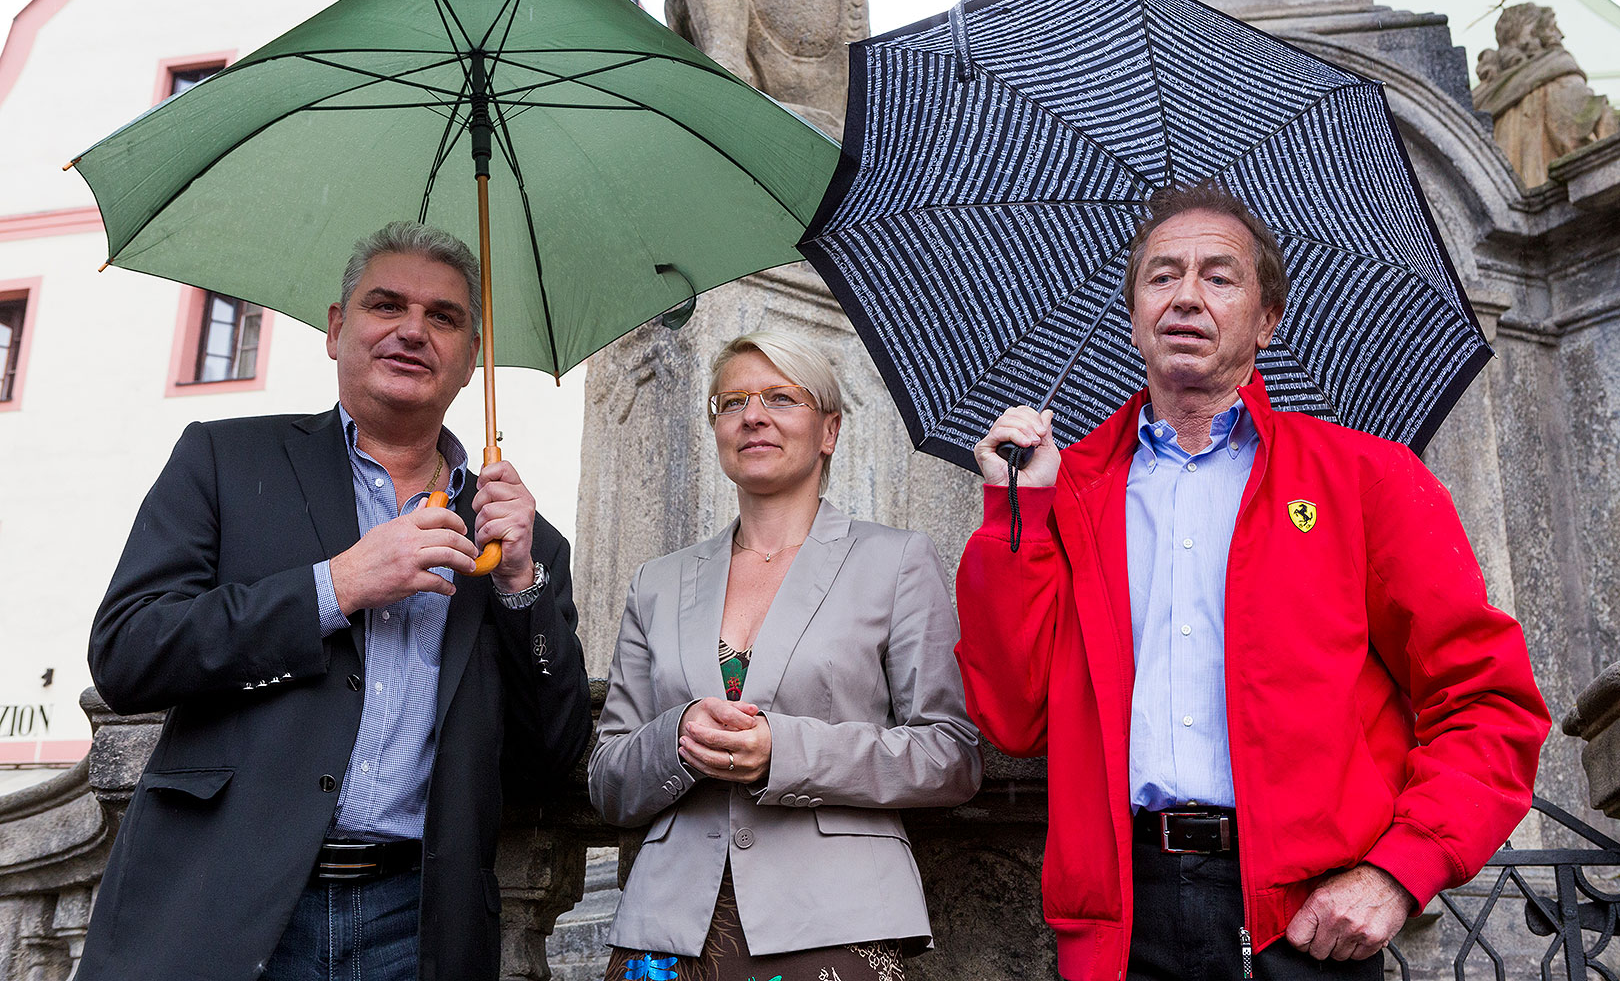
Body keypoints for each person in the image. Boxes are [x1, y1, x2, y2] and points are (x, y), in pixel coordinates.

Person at [955, 181, 1550, 981]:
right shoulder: (1072, 491)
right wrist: (1012, 514)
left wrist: (1399, 871)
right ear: (1134, 316)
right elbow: (1013, 716)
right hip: (1122, 922)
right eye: (1161, 276)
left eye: (1219, 276)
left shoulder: (1362, 477)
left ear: (1267, 320)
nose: (1186, 297)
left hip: (1306, 921)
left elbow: (1487, 700)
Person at [78, 222, 592, 981]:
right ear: (336, 328)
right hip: (220, 902)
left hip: (417, 925)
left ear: (470, 359)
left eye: (444, 317)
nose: (413, 330)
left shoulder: (520, 538)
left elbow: (552, 755)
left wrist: (521, 589)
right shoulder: (223, 460)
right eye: (386, 305)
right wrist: (337, 585)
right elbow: (127, 652)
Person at [590, 330, 982, 981]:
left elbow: (951, 756)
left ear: (828, 430)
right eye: (732, 401)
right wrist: (677, 740)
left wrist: (786, 752)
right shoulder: (656, 582)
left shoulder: (897, 562)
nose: (753, 416)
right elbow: (606, 780)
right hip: (667, 931)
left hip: (835, 922)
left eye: (780, 397)